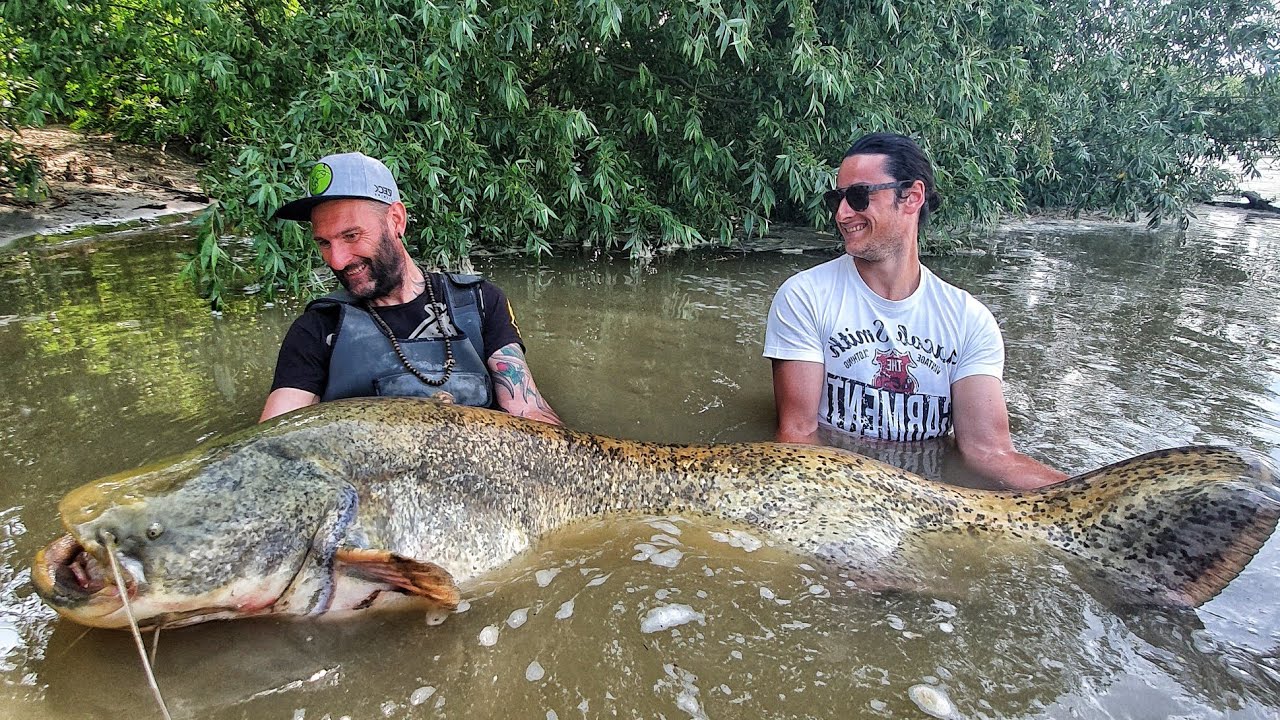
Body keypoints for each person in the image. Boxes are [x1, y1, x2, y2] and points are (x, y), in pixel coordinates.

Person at [763, 133, 1065, 489]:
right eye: (837, 198)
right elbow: (798, 436)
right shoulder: (804, 297)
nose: (842, 213)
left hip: (928, 496)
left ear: (911, 197)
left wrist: (1090, 497)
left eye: (859, 196)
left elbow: (988, 453)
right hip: (838, 491)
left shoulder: (970, 320)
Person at [260, 151, 561, 426]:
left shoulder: (481, 302)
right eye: (324, 243)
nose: (337, 261)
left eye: (351, 235)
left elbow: (527, 412)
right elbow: (277, 438)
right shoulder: (317, 328)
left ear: (396, 220)